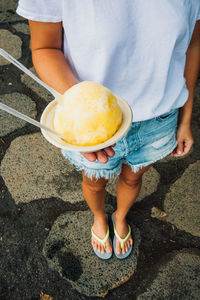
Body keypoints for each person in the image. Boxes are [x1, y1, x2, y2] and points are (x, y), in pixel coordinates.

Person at [17, 1, 200, 260]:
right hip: (92, 127)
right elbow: (45, 47)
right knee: (93, 183)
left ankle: (120, 216)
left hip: (159, 118)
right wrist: (79, 114)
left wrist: (186, 118)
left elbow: (192, 45)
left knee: (133, 179)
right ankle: (99, 218)